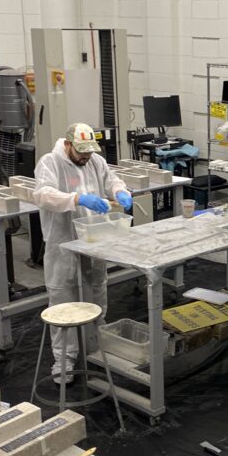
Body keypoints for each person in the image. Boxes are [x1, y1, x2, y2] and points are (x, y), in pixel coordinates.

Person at [32, 123, 133, 375]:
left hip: (93, 240)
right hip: (62, 244)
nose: (86, 156)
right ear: (68, 144)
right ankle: (64, 359)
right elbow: (43, 195)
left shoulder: (95, 161)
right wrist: (77, 199)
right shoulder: (50, 162)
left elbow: (112, 180)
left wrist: (120, 191)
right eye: (81, 151)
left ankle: (96, 347)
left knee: (97, 293)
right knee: (63, 301)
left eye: (89, 151)